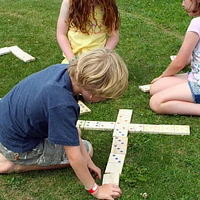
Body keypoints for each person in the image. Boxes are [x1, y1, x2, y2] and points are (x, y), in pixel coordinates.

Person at [0, 48, 128, 199]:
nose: (104, 100)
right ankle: (13, 164)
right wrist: (96, 190)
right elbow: (74, 157)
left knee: (77, 137)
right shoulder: (62, 104)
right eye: (103, 96)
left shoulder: (64, 71)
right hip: (16, 145)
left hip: (6, 121)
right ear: (91, 89)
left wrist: (86, 160)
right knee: (86, 149)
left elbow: (71, 130)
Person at [149, 0, 200, 116]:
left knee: (156, 102)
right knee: (155, 88)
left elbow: (179, 63)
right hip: (196, 75)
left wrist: (163, 75)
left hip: (198, 82)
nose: (182, 4)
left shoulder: (197, 23)